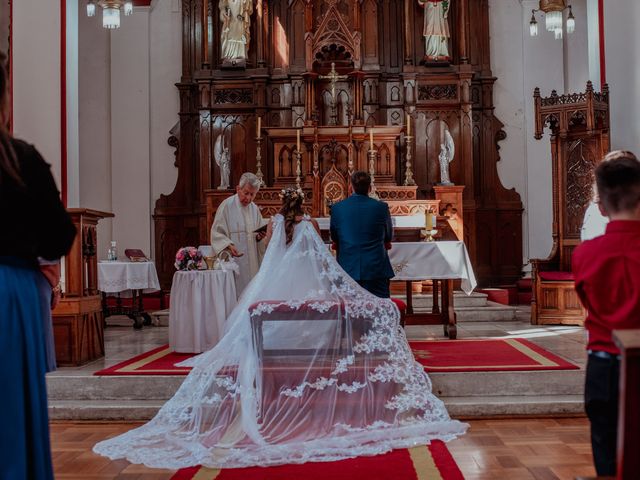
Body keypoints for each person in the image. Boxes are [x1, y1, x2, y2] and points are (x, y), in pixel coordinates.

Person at [94, 186, 467, 469]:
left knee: (268, 311)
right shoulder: (305, 225)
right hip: (305, 280)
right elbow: (318, 260)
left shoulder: (276, 224)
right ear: (302, 207)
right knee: (314, 310)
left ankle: (272, 349)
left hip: (275, 283)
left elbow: (273, 257)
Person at [0, 54, 76, 480]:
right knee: (9, 405)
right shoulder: (20, 157)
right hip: (9, 292)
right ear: (4, 101)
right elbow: (59, 235)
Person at [572, 150, 640, 476]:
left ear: (600, 205)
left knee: (606, 451)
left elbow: (589, 300)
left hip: (601, 365)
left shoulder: (585, 254)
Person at [330, 171, 395, 298]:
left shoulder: (337, 208)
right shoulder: (381, 207)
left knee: (350, 311)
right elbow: (388, 235)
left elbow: (334, 237)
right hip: (376, 268)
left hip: (348, 267)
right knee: (380, 310)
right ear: (370, 188)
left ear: (350, 187)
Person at [211, 172, 267, 294]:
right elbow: (217, 233)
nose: (249, 198)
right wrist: (228, 245)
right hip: (234, 261)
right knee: (235, 294)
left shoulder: (254, 209)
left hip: (252, 263)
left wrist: (259, 237)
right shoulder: (226, 206)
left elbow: (259, 234)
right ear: (238, 189)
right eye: (246, 193)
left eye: (252, 194)